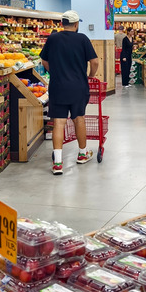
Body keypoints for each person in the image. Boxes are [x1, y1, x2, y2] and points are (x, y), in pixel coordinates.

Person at [40, 10, 100, 176]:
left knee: (59, 122)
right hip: (78, 87)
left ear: (62, 23)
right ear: (76, 24)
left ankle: (58, 163)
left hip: (58, 86)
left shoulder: (53, 38)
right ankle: (82, 154)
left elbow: (44, 60)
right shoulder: (82, 39)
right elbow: (94, 61)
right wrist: (91, 75)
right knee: (79, 119)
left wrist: (54, 72)